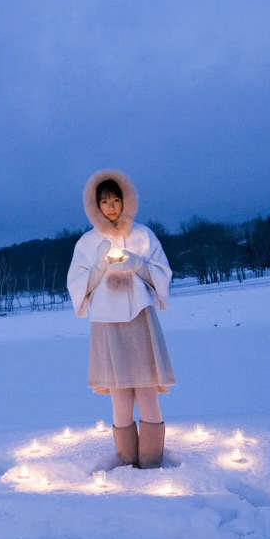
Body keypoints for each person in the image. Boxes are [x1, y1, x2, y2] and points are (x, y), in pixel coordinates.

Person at [66, 168, 176, 469]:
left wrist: (137, 263)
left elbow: (162, 272)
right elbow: (76, 284)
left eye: (116, 199)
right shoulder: (88, 243)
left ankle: (152, 460)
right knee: (119, 394)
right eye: (104, 201)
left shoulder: (142, 235)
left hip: (140, 320)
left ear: (125, 200)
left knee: (147, 389)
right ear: (95, 205)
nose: (111, 206)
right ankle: (127, 461)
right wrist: (100, 267)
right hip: (107, 324)